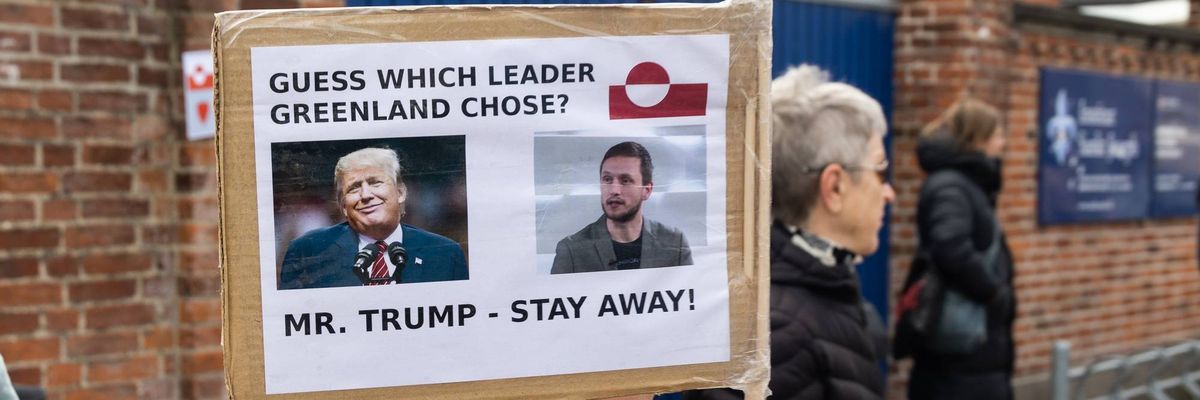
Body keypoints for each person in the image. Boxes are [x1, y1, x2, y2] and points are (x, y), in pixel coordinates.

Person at [686, 64, 894, 399]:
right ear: (834, 187)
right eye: (880, 169)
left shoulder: (821, 289)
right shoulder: (779, 335)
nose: (889, 192)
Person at [899, 99, 1016, 400]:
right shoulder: (951, 186)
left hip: (973, 355)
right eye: (998, 135)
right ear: (978, 138)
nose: (1003, 143)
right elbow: (950, 247)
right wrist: (994, 292)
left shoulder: (965, 184)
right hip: (959, 351)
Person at [279, 147, 467, 289]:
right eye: (354, 188)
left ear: (400, 192)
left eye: (375, 183)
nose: (366, 195)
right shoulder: (306, 252)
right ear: (342, 205)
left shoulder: (446, 254)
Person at [550, 141, 692, 274]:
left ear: (647, 190)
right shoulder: (571, 250)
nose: (614, 190)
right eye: (607, 179)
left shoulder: (675, 243)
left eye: (625, 180)